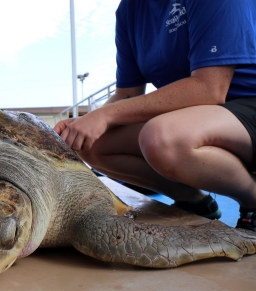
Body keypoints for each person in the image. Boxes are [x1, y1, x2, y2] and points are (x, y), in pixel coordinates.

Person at [54, 0, 256, 231]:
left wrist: (105, 115)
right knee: (90, 144)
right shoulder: (130, 9)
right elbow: (127, 93)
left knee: (161, 137)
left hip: (247, 105)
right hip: (195, 116)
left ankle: (252, 198)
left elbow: (210, 88)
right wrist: (85, 123)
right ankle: (194, 201)